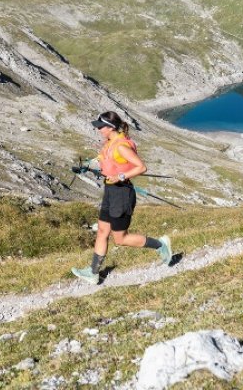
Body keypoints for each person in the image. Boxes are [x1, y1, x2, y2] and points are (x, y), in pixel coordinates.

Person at [71, 110, 173, 284]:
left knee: (120, 239)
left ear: (110, 127)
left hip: (122, 194)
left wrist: (120, 177)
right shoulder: (109, 142)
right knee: (103, 231)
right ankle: (93, 273)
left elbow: (141, 167)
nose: (98, 130)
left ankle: (161, 245)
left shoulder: (121, 147)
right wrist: (87, 166)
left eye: (101, 127)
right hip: (110, 192)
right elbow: (102, 159)